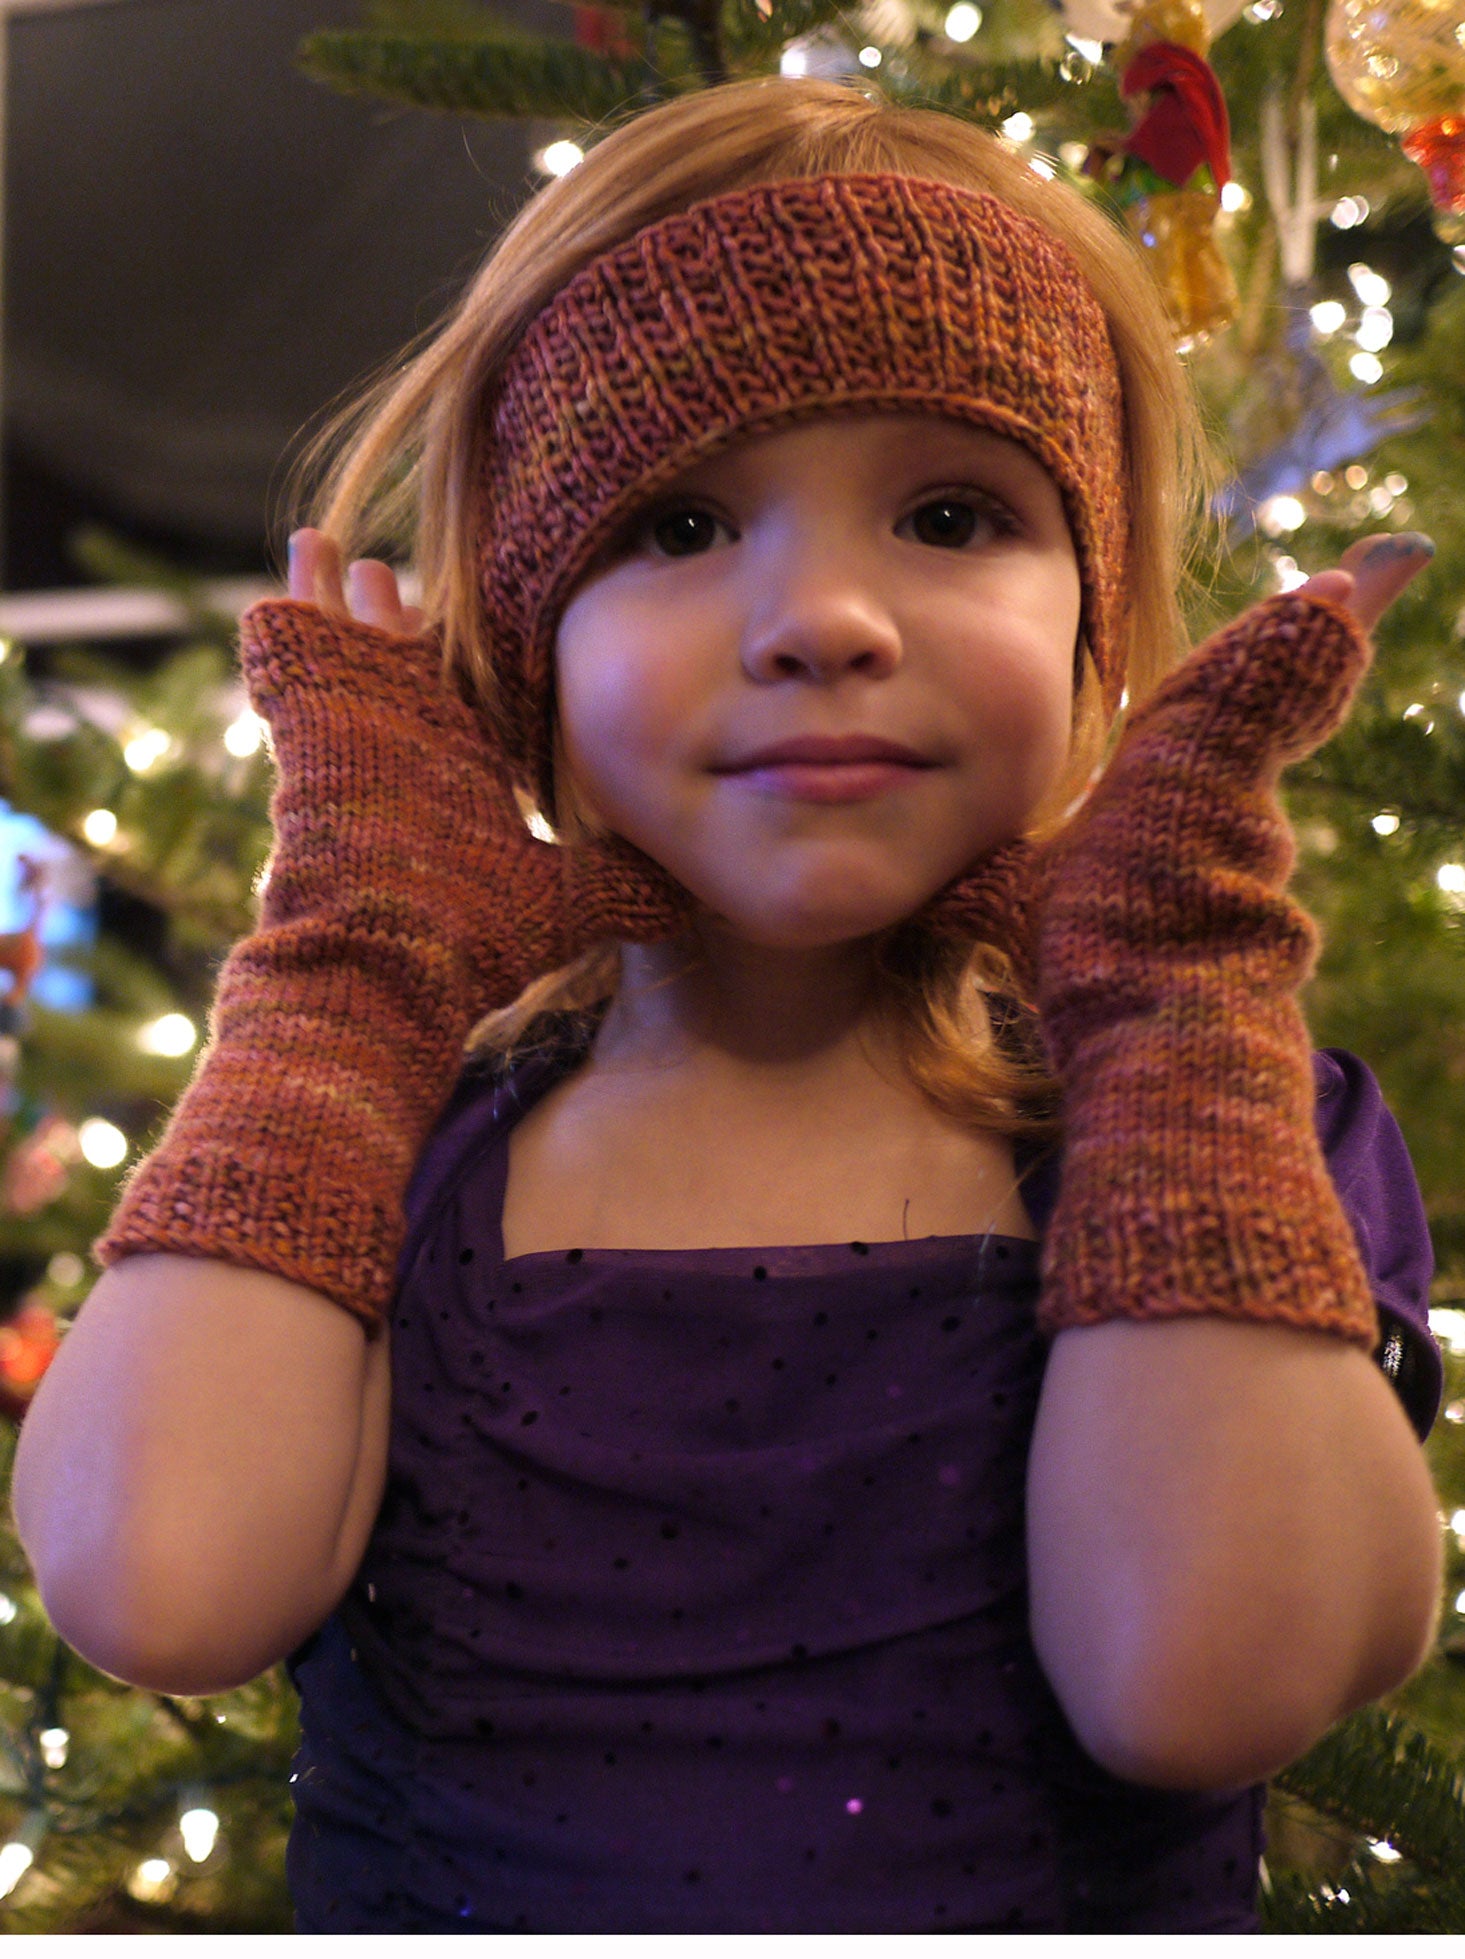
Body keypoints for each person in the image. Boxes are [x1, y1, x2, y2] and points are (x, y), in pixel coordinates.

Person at [11, 76, 1446, 1934]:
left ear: (1098, 615)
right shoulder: (413, 1133)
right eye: (678, 527)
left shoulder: (1230, 1120)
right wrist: (350, 966)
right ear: (525, 635)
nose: (821, 618)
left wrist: (1173, 999)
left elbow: (1203, 1682)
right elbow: (157, 1587)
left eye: (950, 510)